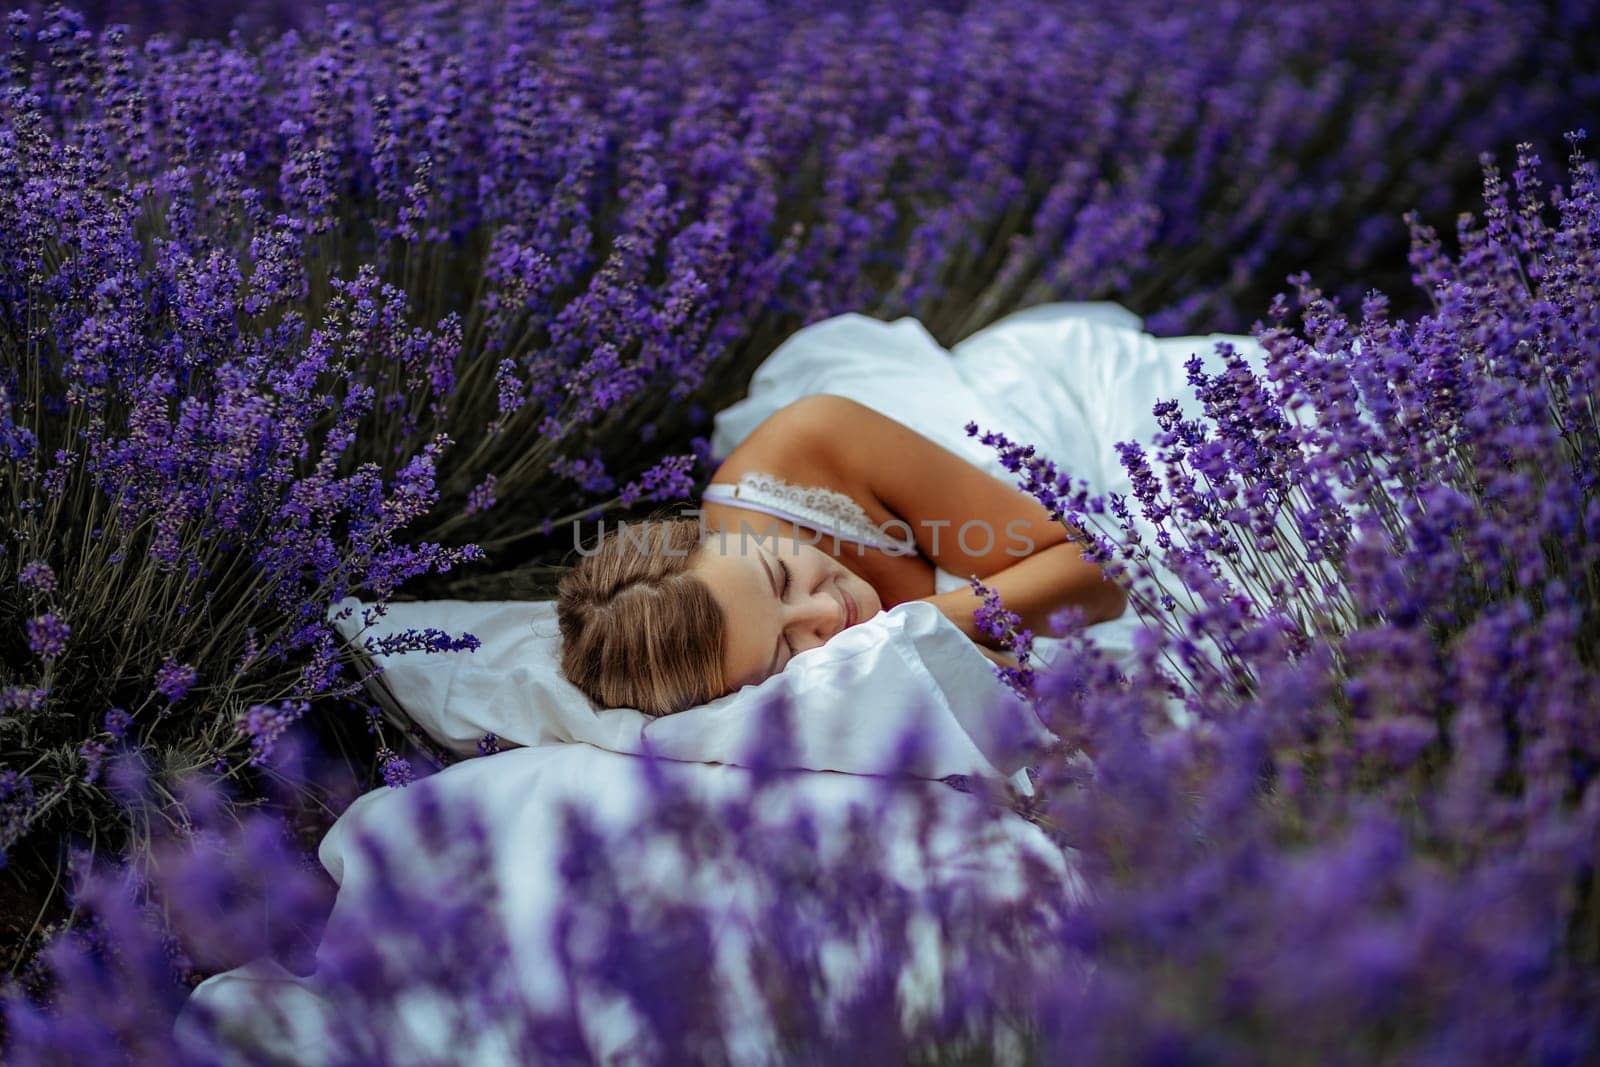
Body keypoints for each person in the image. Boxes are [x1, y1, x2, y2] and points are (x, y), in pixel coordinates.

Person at [557, 392, 1127, 716]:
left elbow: (1099, 574)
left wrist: (923, 623)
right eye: (785, 649)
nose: (824, 616)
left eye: (781, 578)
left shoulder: (815, 442)